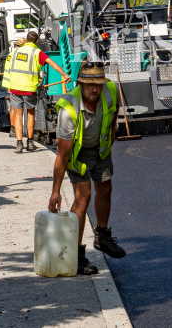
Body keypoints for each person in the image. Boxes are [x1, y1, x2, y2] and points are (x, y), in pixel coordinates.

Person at [48, 62, 126, 276]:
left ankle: (102, 236)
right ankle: (75, 255)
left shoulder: (110, 91)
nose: (95, 89)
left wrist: (112, 132)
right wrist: (55, 191)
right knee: (83, 197)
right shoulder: (68, 109)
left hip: (100, 149)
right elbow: (62, 155)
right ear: (80, 84)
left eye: (98, 84)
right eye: (89, 85)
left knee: (105, 189)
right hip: (77, 154)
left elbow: (114, 111)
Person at [2, 31, 69, 153]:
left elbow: (8, 67)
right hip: (29, 89)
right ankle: (30, 142)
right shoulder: (37, 53)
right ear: (36, 41)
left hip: (15, 88)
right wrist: (64, 75)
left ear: (27, 40)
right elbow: (52, 63)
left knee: (18, 115)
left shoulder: (15, 52)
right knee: (30, 114)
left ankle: (19, 144)